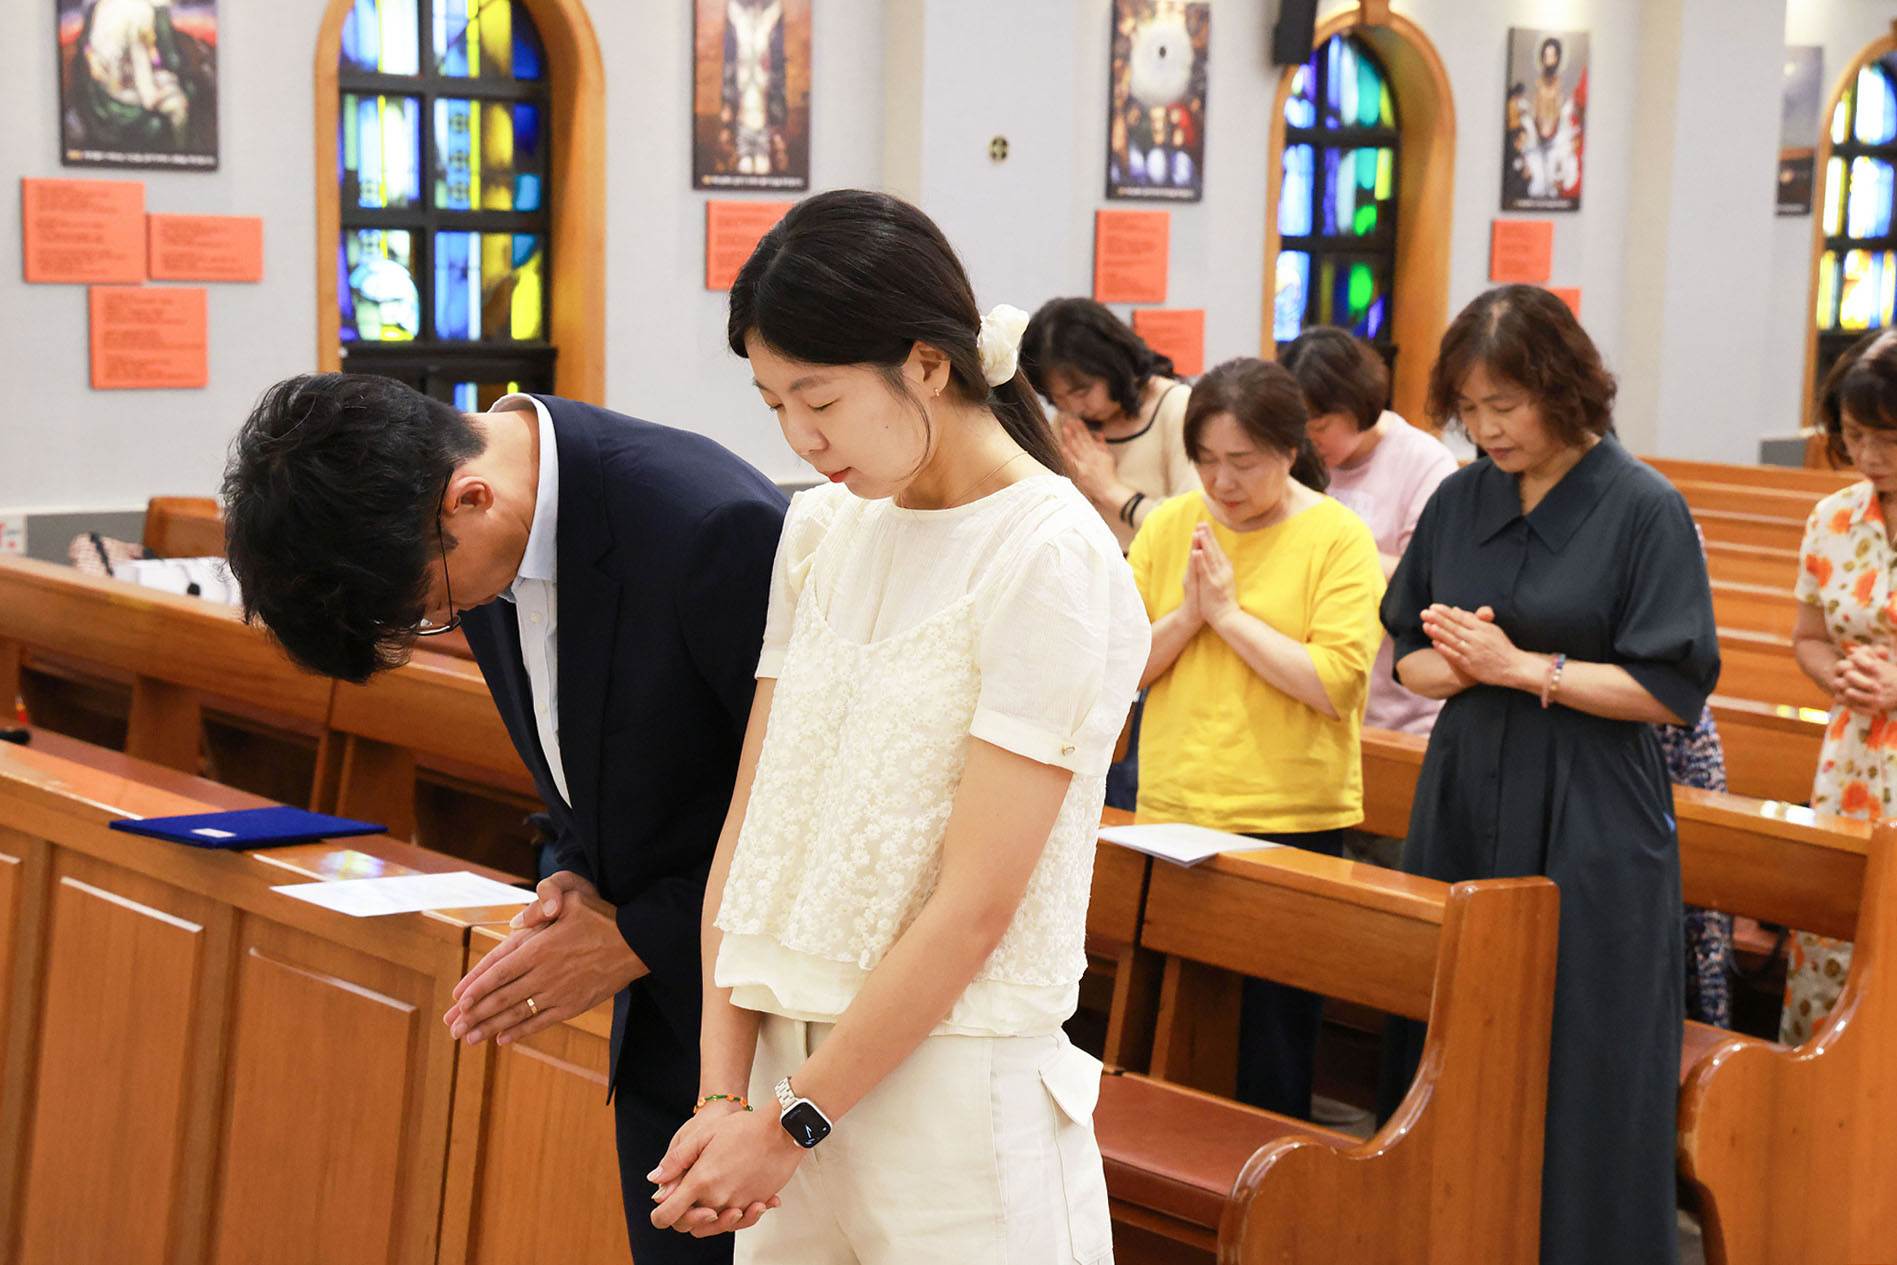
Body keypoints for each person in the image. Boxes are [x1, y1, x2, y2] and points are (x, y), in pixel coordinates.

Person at [619, 189, 1147, 1261]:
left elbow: (976, 905)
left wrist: (790, 1123)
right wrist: (724, 1094)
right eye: (773, 403)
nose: (799, 436)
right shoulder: (821, 529)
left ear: (927, 363)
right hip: (780, 1079)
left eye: (818, 397)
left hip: (952, 1091)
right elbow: (750, 834)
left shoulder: (1047, 554)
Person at [221, 372, 787, 1264]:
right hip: (662, 1037)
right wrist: (573, 871)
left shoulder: (707, 526)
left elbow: (809, 803)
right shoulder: (472, 539)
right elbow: (601, 756)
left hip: (774, 1038)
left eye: (427, 606)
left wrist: (638, 934)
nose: (442, 619)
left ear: (469, 497)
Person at [1379, 285, 1719, 1265]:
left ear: (1564, 389)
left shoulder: (1642, 506)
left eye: (1505, 405)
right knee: (1453, 1030)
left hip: (1593, 802)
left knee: (1587, 1044)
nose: (1485, 428)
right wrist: (1463, 663)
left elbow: (1669, 687)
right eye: (1468, 408)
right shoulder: (1461, 497)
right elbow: (1407, 657)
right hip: (1465, 783)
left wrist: (1521, 667)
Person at [1129, 356, 1385, 1119]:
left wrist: (1228, 617)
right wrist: (1188, 617)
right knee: (1167, 1026)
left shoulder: (1336, 536)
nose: (1221, 481)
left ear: (1288, 449)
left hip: (1288, 815)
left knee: (1272, 1042)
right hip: (1174, 803)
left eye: (1241, 461)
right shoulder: (1171, 524)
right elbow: (1121, 666)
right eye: (1206, 459)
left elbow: (1333, 683)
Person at [1784, 328, 1897, 1044]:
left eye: (1886, 438)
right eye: (1854, 436)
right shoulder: (1833, 518)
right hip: (1851, 762)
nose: (1867, 455)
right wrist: (1840, 674)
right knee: (1835, 940)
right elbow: (1808, 637)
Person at [1020, 297, 1197, 553]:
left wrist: (1110, 490)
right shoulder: (1068, 418)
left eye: (1082, 391)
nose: (1074, 408)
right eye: (1057, 399)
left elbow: (1192, 528)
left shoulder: (1176, 406)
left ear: (1113, 365)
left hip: (1156, 569)